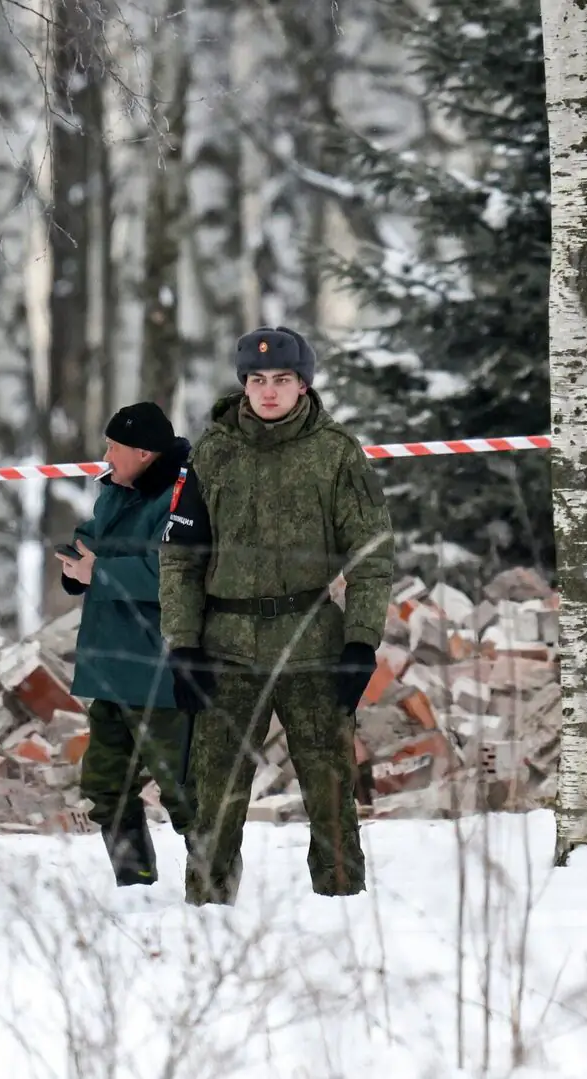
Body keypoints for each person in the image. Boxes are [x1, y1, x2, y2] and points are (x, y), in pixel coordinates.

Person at [159, 326, 393, 904]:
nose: (268, 391)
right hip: (226, 646)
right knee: (215, 793)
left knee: (330, 789)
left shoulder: (336, 452)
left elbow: (371, 554)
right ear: (244, 384)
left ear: (303, 384)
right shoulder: (212, 452)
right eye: (257, 380)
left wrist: (361, 642)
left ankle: (342, 905)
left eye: (282, 379)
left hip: (312, 641)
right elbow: (181, 557)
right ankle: (207, 911)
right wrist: (182, 645)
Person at [62, 402, 198, 889]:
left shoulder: (185, 494)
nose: (106, 456)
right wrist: (76, 561)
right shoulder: (117, 489)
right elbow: (95, 535)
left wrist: (97, 572)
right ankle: (134, 882)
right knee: (105, 785)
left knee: (186, 792)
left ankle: (215, 890)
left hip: (160, 671)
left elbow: (172, 571)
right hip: (111, 666)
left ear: (143, 452)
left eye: (113, 447)